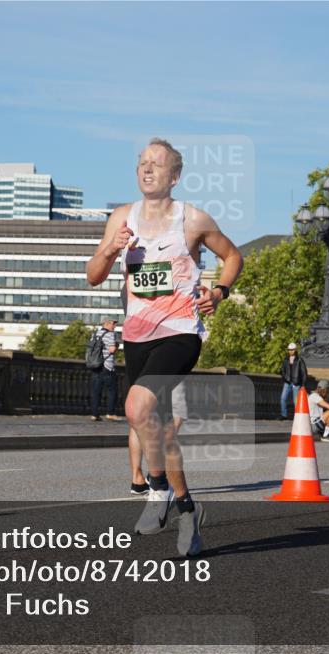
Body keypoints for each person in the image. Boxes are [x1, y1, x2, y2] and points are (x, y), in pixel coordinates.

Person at [86, 137, 243, 557]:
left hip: (180, 332)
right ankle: (188, 509)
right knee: (156, 429)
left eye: (157, 164)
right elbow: (93, 276)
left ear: (175, 176)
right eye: (142, 163)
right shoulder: (122, 218)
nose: (147, 169)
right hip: (137, 335)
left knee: (136, 409)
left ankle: (157, 490)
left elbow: (233, 256)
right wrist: (110, 248)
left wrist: (221, 291)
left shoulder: (192, 220)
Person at [129, 380, 187, 495]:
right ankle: (157, 476)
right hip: (168, 369)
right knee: (177, 414)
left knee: (139, 419)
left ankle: (137, 480)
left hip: (141, 371)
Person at [88, 318, 122, 422]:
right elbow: (112, 350)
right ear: (107, 324)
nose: (115, 325)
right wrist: (117, 345)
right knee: (112, 390)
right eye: (113, 323)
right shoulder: (110, 335)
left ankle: (94, 414)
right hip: (107, 366)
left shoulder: (95, 334)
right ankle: (110, 413)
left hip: (95, 365)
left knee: (96, 391)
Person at [279, 342, 307, 420]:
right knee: (283, 398)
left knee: (296, 401)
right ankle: (284, 415)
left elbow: (304, 372)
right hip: (287, 382)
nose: (290, 351)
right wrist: (285, 378)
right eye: (289, 350)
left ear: (295, 350)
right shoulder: (286, 359)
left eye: (292, 350)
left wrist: (303, 384)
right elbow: (282, 370)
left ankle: (297, 416)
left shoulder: (300, 360)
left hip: (296, 383)